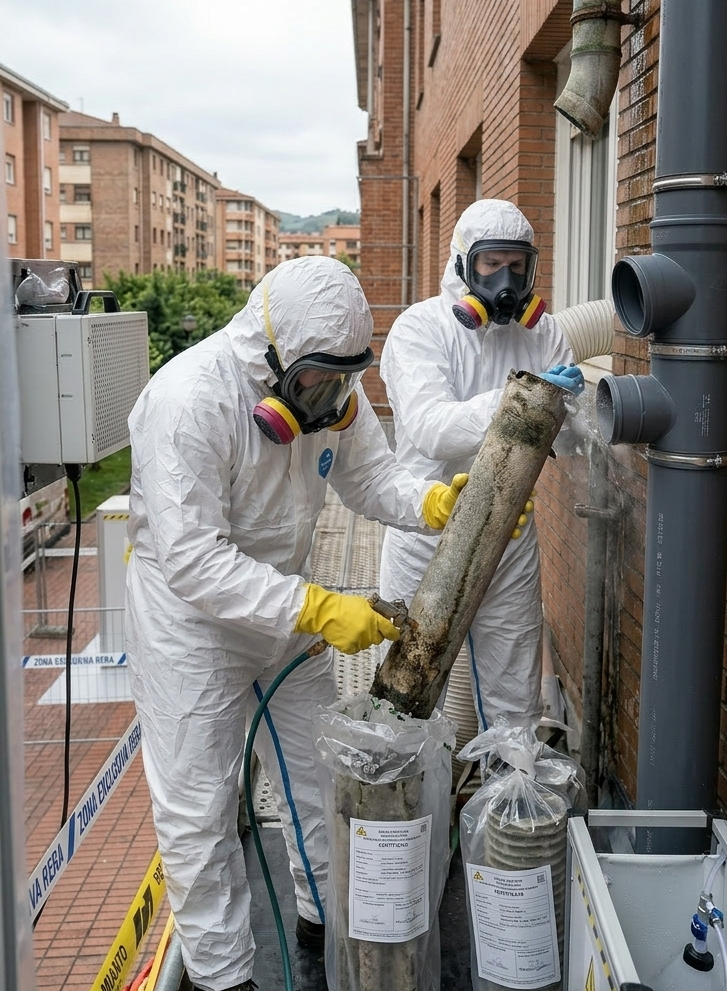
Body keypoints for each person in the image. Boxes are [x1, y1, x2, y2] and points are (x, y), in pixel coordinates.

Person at [124, 255, 467, 991]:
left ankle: (321, 920)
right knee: (201, 808)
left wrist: (433, 504)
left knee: (318, 773)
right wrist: (317, 608)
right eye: (317, 382)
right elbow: (191, 559)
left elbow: (373, 478)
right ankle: (223, 976)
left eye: (345, 381)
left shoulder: (332, 389)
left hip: (283, 606)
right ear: (272, 359)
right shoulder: (189, 400)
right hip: (191, 627)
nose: (331, 401)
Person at [379, 198, 584, 733]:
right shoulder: (420, 329)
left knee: (514, 701)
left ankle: (509, 787)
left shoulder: (544, 334)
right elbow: (431, 429)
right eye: (492, 264)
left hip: (510, 535)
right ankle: (408, 791)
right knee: (407, 695)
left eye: (517, 265)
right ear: (462, 264)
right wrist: (526, 399)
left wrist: (578, 409)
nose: (505, 280)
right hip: (427, 533)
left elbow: (570, 441)